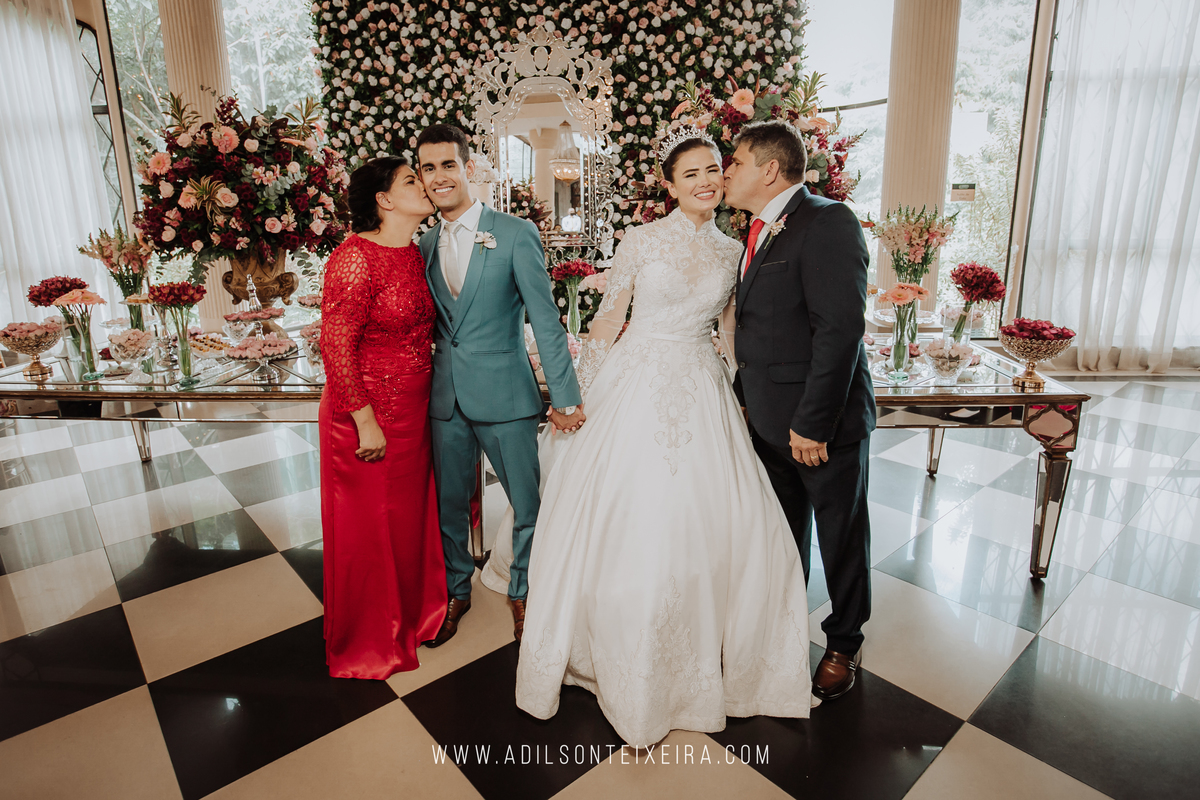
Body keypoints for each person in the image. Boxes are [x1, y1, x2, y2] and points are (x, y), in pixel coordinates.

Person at [514, 126, 815, 749]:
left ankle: (710, 657)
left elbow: (729, 330)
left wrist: (743, 394)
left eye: (713, 170)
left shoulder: (734, 251)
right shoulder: (641, 239)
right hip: (637, 377)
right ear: (670, 186)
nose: (706, 182)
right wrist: (579, 394)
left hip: (703, 386)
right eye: (690, 174)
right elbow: (607, 320)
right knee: (631, 510)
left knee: (712, 516)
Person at [723, 120, 876, 700]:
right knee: (784, 536)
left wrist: (812, 424)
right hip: (768, 421)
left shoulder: (827, 221)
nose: (727, 172)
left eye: (736, 162)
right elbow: (759, 329)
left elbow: (840, 331)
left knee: (841, 536)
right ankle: (785, 631)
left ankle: (844, 642)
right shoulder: (756, 231)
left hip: (820, 424)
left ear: (769, 169)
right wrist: (746, 400)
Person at [416, 124, 584, 646]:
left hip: (508, 396)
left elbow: (545, 319)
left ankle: (523, 590)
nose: (439, 177)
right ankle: (455, 590)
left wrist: (566, 395)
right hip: (446, 399)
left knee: (526, 503)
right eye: (428, 168)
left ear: (468, 168)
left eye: (448, 165)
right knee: (449, 504)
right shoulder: (423, 243)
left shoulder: (513, 232)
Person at [319, 155, 447, 680]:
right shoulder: (354, 258)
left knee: (407, 519)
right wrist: (365, 420)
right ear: (384, 200)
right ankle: (373, 637)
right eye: (412, 180)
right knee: (370, 526)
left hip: (415, 407)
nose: (425, 186)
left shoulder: (414, 251)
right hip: (367, 411)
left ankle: (414, 615)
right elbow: (335, 345)